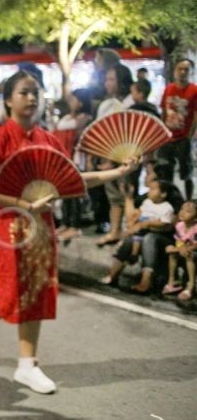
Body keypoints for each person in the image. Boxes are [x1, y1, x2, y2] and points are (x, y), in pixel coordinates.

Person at [0, 70, 138, 394]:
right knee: (14, 292)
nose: (32, 98)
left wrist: (118, 170)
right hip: (9, 225)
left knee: (38, 289)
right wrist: (24, 204)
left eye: (36, 92)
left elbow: (73, 179)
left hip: (41, 227)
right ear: (8, 100)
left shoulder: (49, 139)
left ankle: (27, 365)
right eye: (24, 92)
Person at [99, 179, 175, 290]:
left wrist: (147, 223)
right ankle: (113, 274)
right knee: (130, 239)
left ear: (163, 194)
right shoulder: (147, 202)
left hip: (158, 236)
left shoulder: (167, 207)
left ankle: (145, 281)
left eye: (153, 189)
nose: (149, 192)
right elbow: (138, 213)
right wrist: (133, 221)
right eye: (149, 189)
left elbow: (164, 224)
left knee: (148, 239)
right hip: (141, 232)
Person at [95, 63, 135, 246]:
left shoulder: (130, 103)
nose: (106, 83)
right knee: (113, 196)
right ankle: (115, 231)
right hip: (107, 155)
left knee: (126, 195)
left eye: (111, 79)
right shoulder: (107, 104)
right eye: (106, 79)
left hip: (126, 157)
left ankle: (128, 234)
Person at [54, 89, 93, 242]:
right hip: (63, 159)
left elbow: (78, 133)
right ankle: (65, 222)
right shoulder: (67, 118)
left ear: (81, 102)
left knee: (75, 193)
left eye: (74, 99)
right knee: (64, 193)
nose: (70, 102)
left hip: (77, 159)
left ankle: (74, 226)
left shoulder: (84, 118)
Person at [158, 58, 197, 200]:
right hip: (167, 136)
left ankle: (189, 201)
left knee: (186, 172)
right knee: (165, 170)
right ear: (175, 71)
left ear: (191, 72)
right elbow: (163, 110)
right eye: (180, 69)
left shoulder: (194, 90)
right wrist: (162, 132)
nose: (183, 72)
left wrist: (190, 136)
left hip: (183, 138)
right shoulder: (169, 89)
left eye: (186, 69)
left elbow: (195, 115)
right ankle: (170, 200)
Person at [162, 200, 197, 300]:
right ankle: (172, 281)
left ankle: (190, 286)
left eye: (188, 211)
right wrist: (176, 249)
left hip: (193, 251)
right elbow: (179, 241)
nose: (182, 212)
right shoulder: (179, 225)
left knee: (188, 254)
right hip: (185, 249)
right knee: (172, 254)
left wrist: (178, 249)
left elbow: (195, 245)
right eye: (182, 209)